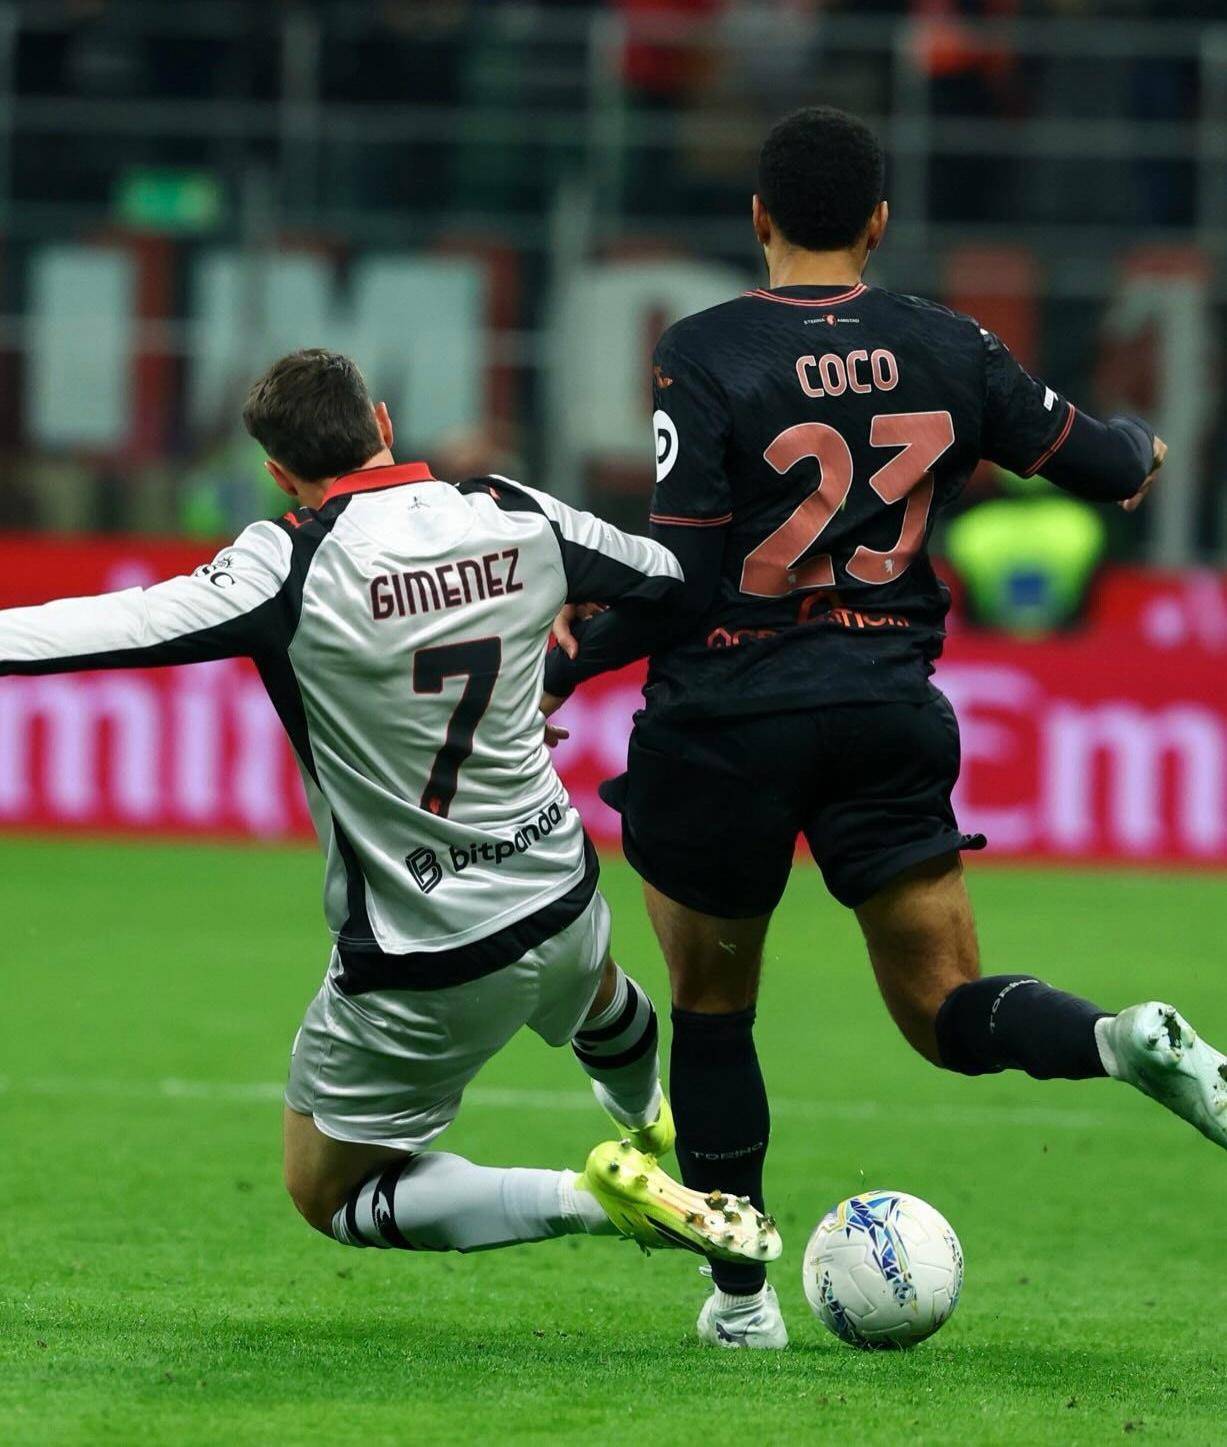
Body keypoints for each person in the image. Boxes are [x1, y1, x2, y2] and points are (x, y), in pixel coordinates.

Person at [543, 106, 1226, 1349]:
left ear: (758, 217)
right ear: (879, 221)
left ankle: (742, 1304)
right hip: (883, 709)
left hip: (727, 720)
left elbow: (684, 579)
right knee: (946, 1007)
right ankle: (1119, 1041)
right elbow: (1107, 464)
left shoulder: (703, 350)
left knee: (713, 1008)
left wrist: (566, 661)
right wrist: (1143, 448)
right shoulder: (949, 342)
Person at [0, 348, 781, 1280]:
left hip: (425, 952)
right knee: (596, 992)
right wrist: (561, 660)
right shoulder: (513, 511)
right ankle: (645, 1117)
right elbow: (672, 581)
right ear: (382, 422)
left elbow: (111, 626)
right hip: (562, 893)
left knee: (326, 1190)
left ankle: (593, 1197)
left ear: (278, 473)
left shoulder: (288, 560)